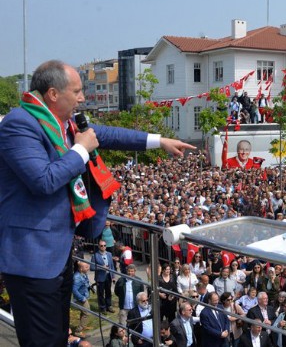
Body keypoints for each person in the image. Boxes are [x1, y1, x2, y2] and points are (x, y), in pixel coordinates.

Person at [0, 60, 195, 347]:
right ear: (53, 94)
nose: (82, 98)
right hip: (32, 258)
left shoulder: (61, 123)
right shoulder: (20, 124)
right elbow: (43, 181)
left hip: (57, 253)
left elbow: (107, 134)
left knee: (56, 336)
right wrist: (80, 150)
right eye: (77, 91)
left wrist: (159, 140)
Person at [91, 239, 116, 314]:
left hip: (108, 276)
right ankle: (102, 308)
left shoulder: (109, 254)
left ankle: (109, 306)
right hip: (100, 278)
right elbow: (92, 267)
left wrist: (113, 276)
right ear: (99, 246)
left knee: (108, 292)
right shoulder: (95, 255)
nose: (103, 247)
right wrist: (102, 267)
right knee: (101, 293)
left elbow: (112, 266)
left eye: (104, 245)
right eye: (101, 246)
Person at [72, 261, 91, 336]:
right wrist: (82, 298)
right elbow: (74, 289)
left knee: (83, 312)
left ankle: (83, 326)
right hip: (80, 299)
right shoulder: (77, 277)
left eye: (88, 266)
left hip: (84, 296)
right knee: (87, 313)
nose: (88, 268)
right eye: (86, 267)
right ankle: (78, 331)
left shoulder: (83, 274)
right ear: (80, 269)